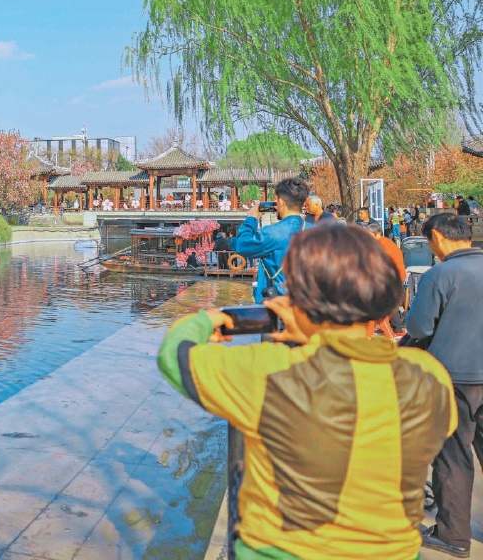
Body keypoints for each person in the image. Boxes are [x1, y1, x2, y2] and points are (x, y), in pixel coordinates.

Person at [159, 225, 457, 560]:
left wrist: (210, 318)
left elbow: (174, 353)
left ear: (301, 297)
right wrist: (315, 336)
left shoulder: (271, 371)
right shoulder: (429, 377)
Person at [406, 214, 483, 558]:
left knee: (453, 456)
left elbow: (420, 327)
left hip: (454, 376)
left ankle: (453, 535)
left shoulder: (441, 273)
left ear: (437, 236)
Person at [233, 176, 310, 302]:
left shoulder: (272, 233)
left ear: (280, 202)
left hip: (283, 306)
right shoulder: (318, 232)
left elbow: (242, 245)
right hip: (311, 304)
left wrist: (251, 219)